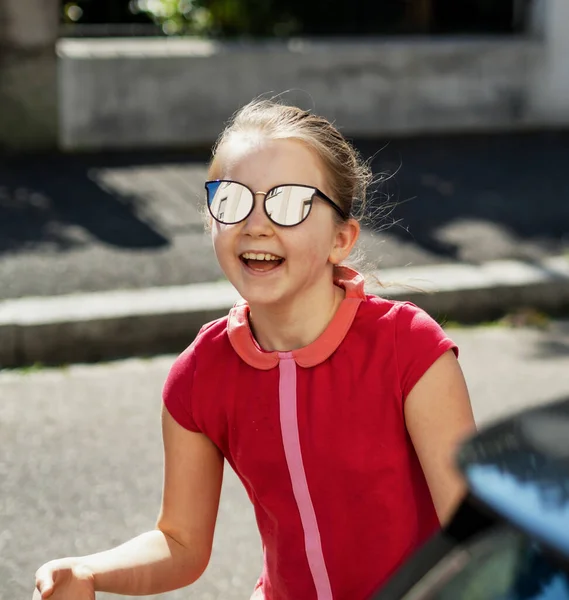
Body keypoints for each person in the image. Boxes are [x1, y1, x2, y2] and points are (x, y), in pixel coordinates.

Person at [33, 99, 476, 600]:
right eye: (233, 200)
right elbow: (179, 542)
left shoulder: (408, 348)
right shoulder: (201, 374)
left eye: (288, 203)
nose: (256, 223)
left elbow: (473, 540)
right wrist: (88, 572)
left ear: (341, 238)